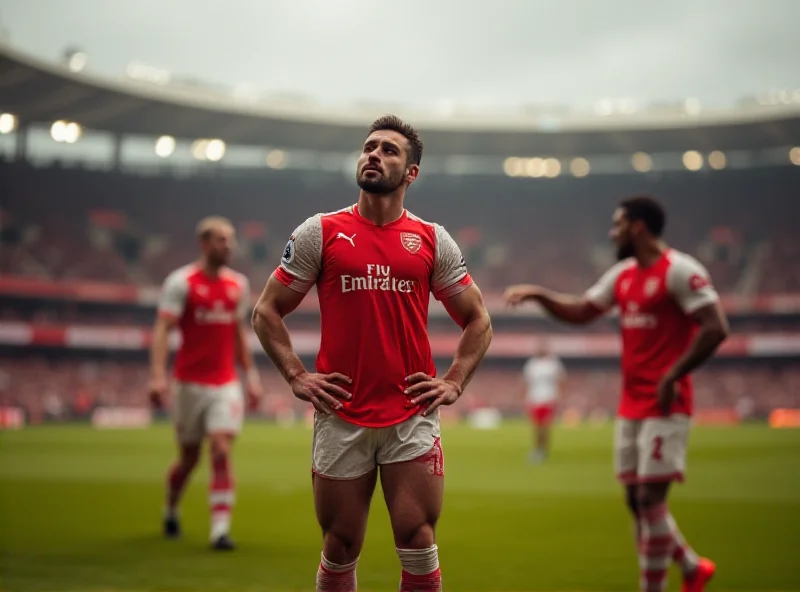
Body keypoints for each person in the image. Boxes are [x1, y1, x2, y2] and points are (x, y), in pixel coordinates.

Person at [252, 115, 492, 591]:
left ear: (411, 173)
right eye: (369, 147)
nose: (373, 155)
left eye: (388, 150)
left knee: (418, 539)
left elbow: (479, 320)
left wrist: (454, 380)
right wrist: (296, 376)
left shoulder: (430, 239)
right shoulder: (320, 232)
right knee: (340, 544)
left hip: (411, 412)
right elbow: (265, 312)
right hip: (342, 413)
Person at [504, 196, 728, 592]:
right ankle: (691, 567)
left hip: (666, 402)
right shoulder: (622, 275)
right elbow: (581, 310)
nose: (613, 233)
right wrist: (540, 294)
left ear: (638, 227)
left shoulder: (681, 271)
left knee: (649, 500)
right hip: (631, 402)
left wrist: (674, 374)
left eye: (618, 225)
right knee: (635, 502)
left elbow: (715, 327)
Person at [149, 216, 262, 551]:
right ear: (204, 244)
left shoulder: (238, 285)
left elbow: (239, 335)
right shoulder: (181, 282)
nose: (228, 246)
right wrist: (157, 376)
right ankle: (170, 508)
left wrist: (251, 377)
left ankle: (220, 530)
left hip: (224, 383)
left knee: (221, 448)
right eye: (221, 240)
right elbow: (162, 330)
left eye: (230, 240)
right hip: (187, 383)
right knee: (188, 459)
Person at [522, 340, 566, 463]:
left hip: (549, 398)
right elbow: (526, 382)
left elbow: (561, 379)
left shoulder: (553, 363)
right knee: (536, 427)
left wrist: (560, 395)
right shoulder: (531, 364)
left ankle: (543, 450)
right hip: (534, 398)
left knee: (545, 427)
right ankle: (537, 449)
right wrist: (526, 398)